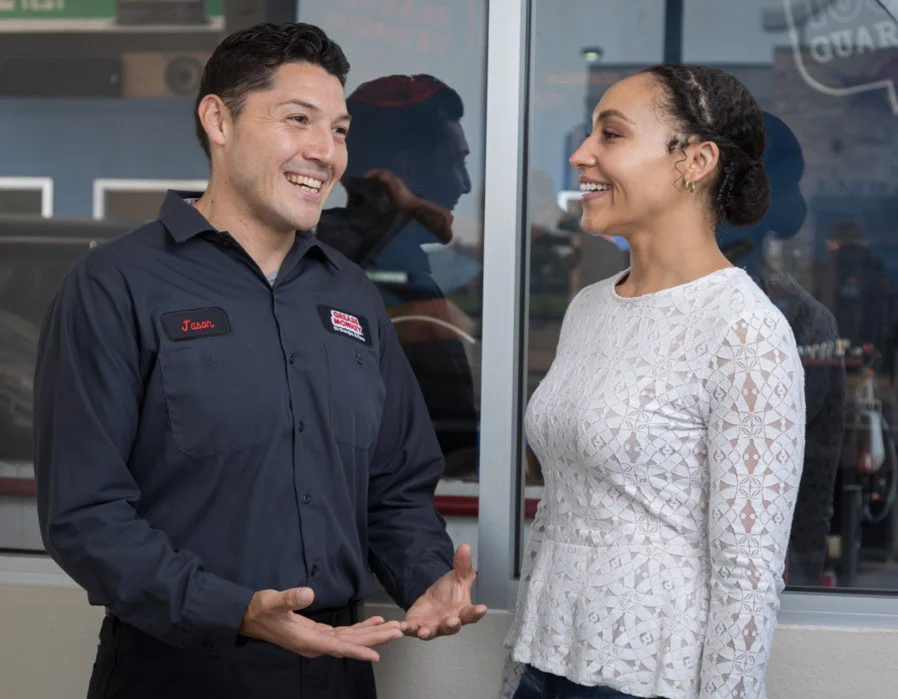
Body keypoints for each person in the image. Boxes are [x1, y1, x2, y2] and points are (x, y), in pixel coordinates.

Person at [32, 22, 486, 699]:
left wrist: (426, 576)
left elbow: (394, 486)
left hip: (339, 666)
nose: (325, 152)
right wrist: (234, 609)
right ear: (217, 118)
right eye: (298, 120)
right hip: (177, 668)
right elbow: (86, 514)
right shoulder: (116, 285)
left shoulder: (351, 295)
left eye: (338, 130)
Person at [500, 65, 806, 699]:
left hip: (649, 681)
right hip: (544, 661)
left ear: (693, 160)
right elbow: (559, 512)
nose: (581, 155)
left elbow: (749, 573)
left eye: (611, 135)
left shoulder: (744, 330)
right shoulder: (589, 306)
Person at [317, 74, 480, 480]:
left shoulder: (351, 249)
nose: (466, 184)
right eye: (456, 162)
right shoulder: (368, 264)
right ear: (405, 171)